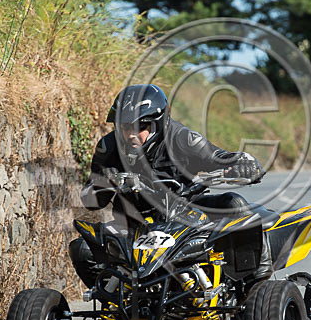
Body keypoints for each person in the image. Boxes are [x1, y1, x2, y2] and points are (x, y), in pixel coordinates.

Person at [75, 84, 273, 282]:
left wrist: (246, 164)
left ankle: (258, 281)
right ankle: (113, 300)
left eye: (140, 126)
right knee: (82, 249)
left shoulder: (182, 139)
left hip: (188, 216)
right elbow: (91, 201)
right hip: (134, 227)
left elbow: (221, 158)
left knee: (233, 203)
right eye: (125, 127)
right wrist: (102, 185)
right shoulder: (108, 147)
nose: (130, 134)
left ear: (157, 123)